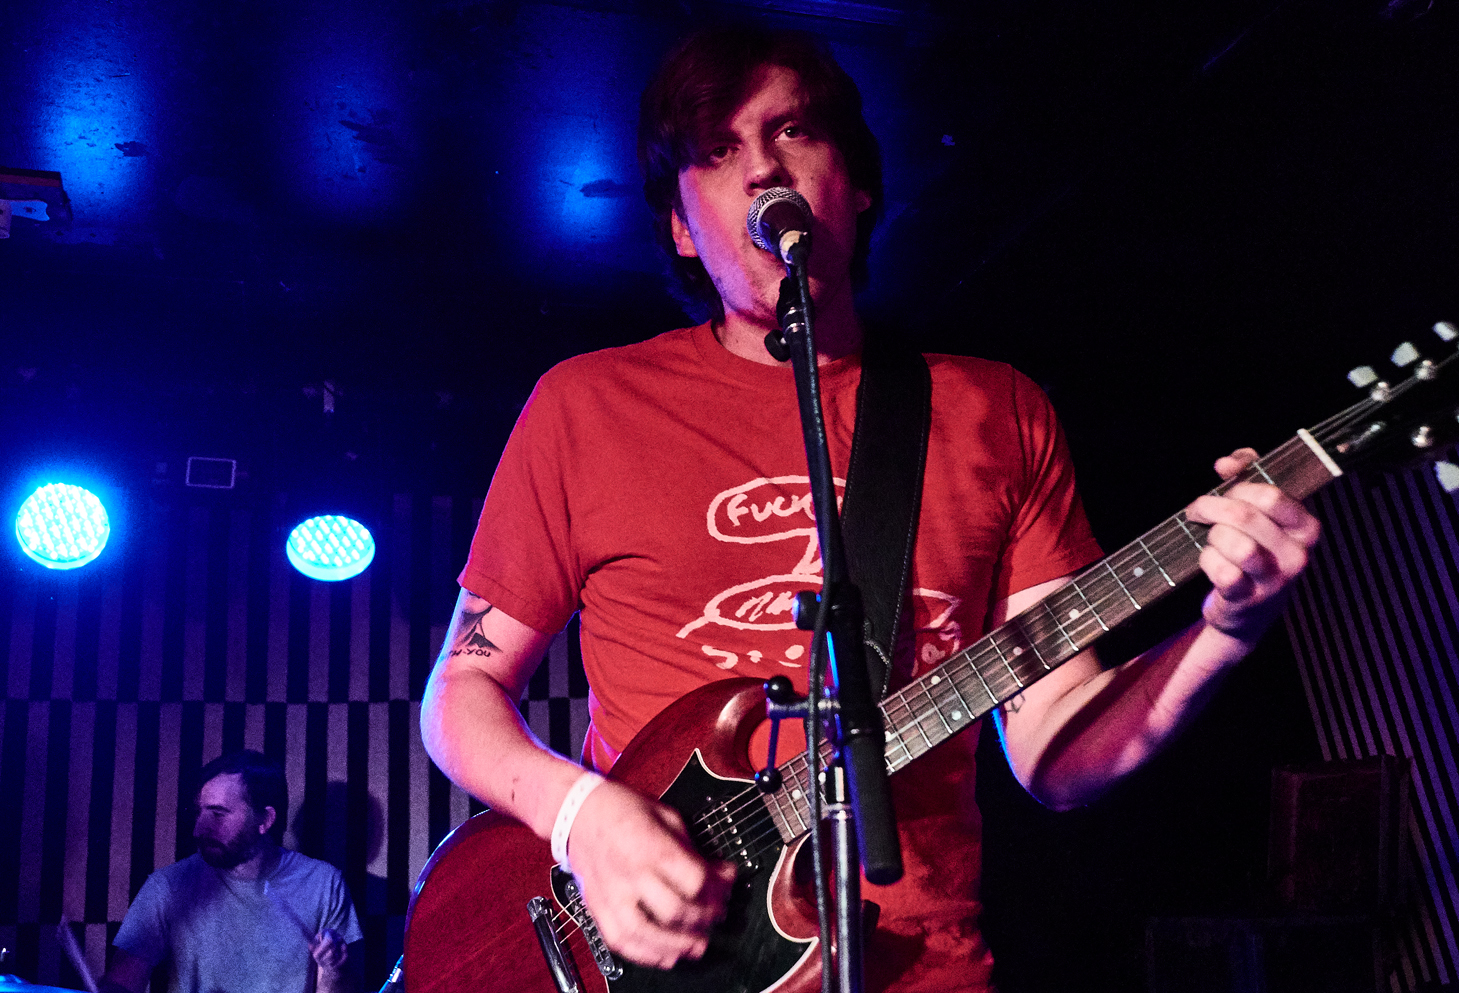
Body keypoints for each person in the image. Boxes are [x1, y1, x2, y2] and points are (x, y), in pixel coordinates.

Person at [419, 26, 1322, 992]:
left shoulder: (995, 411)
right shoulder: (586, 407)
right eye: (717, 150)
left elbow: (1054, 753)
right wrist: (580, 816)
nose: (762, 166)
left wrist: (1225, 632)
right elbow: (462, 692)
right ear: (680, 225)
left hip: (923, 965)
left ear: (855, 184)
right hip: (661, 959)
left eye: (792, 130)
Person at [101, 750, 363, 993]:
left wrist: (334, 970)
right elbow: (122, 983)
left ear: (265, 820)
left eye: (218, 814)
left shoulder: (323, 883)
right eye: (199, 813)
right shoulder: (169, 886)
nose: (199, 829)